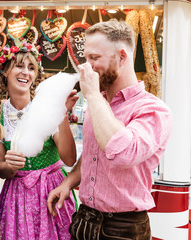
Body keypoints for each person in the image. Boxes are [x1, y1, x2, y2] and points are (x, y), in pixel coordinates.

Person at [47, 19, 172, 240]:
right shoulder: (99, 102)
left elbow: (122, 153)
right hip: (84, 218)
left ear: (122, 57)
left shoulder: (153, 109)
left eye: (94, 58)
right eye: (86, 59)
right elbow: (93, 155)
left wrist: (93, 95)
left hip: (123, 227)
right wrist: (68, 182)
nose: (86, 67)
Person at [0, 41, 79, 240]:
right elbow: (2, 170)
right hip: (17, 197)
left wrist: (61, 112)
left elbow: (70, 159)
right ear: (5, 71)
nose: (26, 73)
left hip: (52, 191)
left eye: (31, 68)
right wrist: (10, 166)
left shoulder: (47, 107)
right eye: (19, 66)